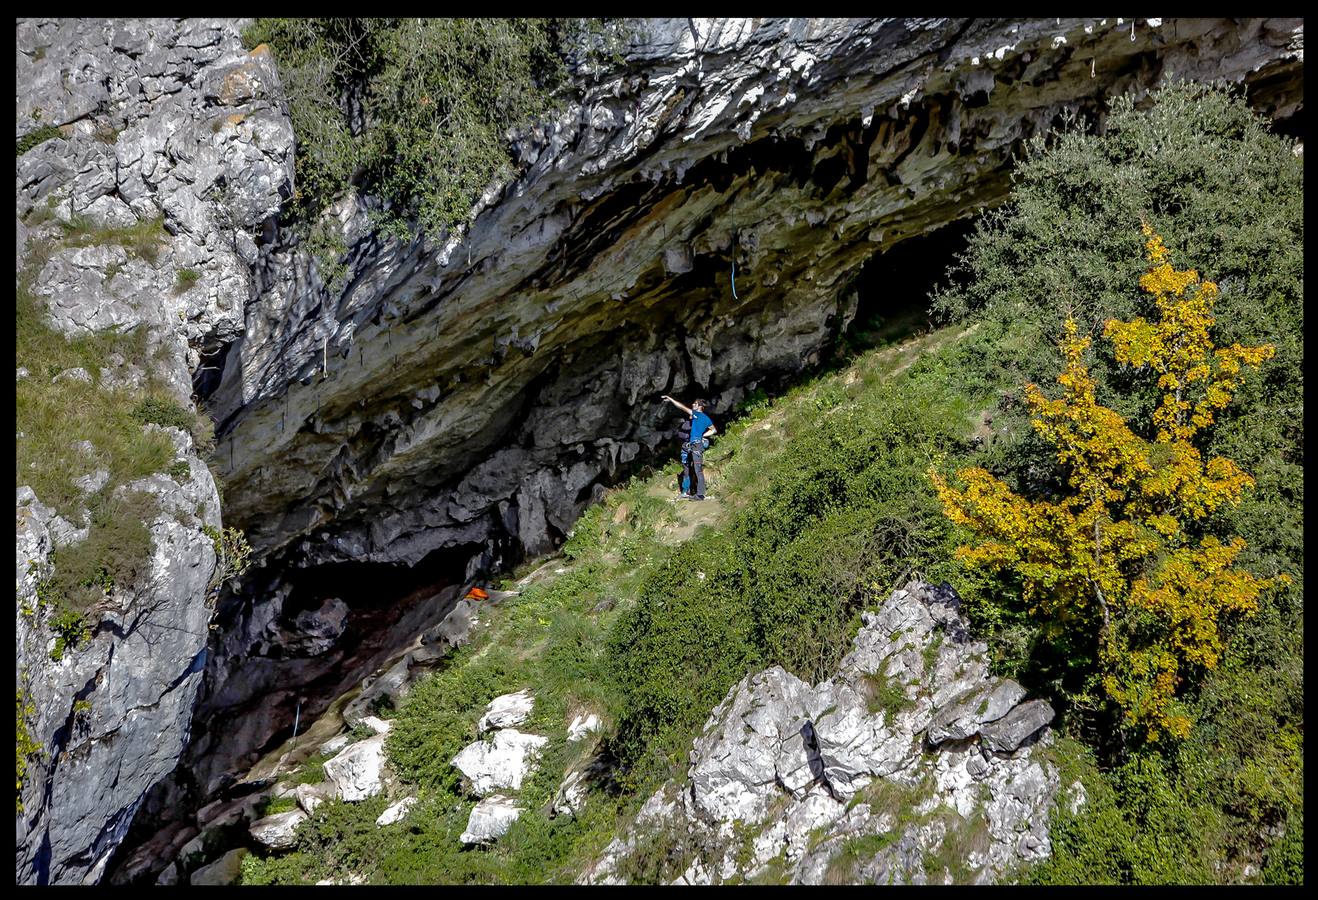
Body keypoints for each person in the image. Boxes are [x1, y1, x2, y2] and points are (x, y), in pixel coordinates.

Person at [661, 394, 718, 500]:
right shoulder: (706, 418)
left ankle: (700, 494)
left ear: (700, 406)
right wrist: (702, 435)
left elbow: (682, 407)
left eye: (695, 403)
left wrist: (671, 399)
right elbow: (714, 430)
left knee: (698, 469)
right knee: (696, 469)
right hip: (695, 443)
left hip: (695, 444)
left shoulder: (697, 415)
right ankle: (692, 492)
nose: (693, 404)